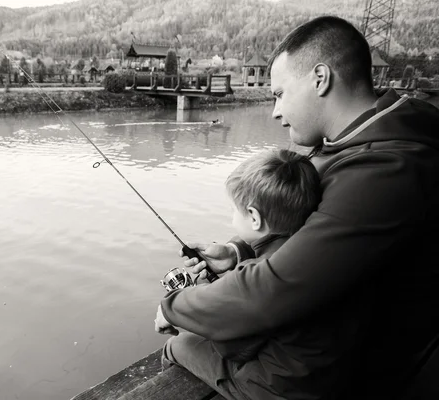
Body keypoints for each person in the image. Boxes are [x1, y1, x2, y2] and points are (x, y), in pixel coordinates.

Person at [155, 15, 439, 400]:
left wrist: (174, 307)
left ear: (320, 79)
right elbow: (311, 229)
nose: (274, 111)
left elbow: (269, 292)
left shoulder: (387, 172)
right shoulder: (352, 145)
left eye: (279, 94)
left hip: (364, 374)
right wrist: (239, 249)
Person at [156, 148, 324, 399]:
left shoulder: (263, 274)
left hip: (278, 387)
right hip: (321, 369)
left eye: (235, 211)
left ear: (254, 218)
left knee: (177, 345)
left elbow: (235, 349)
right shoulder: (313, 247)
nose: (232, 218)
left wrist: (185, 304)